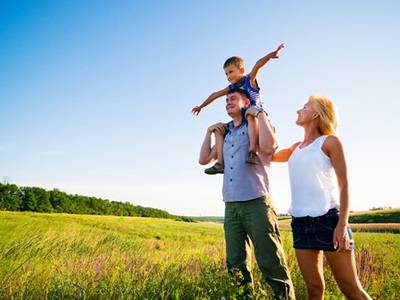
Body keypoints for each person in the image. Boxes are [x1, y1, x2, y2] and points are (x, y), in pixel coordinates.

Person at [199, 88, 295, 299]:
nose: (227, 102)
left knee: (271, 261)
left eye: (232, 98)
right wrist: (208, 133)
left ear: (246, 102)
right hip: (231, 205)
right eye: (225, 100)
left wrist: (258, 112)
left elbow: (270, 147)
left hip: (257, 203)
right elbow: (204, 159)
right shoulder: (227, 134)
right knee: (235, 264)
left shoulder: (257, 125)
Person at [272, 95, 371, 300]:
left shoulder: (330, 142)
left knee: (351, 290)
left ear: (316, 114)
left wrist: (342, 225)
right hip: (300, 223)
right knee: (314, 290)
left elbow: (344, 185)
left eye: (305, 107)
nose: (298, 110)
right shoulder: (294, 148)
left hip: (330, 221)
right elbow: (268, 155)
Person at [193, 43, 285, 174]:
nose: (228, 76)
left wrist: (271, 55)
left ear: (241, 70)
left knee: (249, 114)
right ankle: (220, 163)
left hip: (254, 114)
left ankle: (252, 151)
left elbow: (258, 65)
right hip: (241, 119)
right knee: (219, 130)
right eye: (226, 74)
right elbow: (215, 94)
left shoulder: (249, 80)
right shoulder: (231, 88)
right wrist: (201, 106)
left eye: (231, 72)